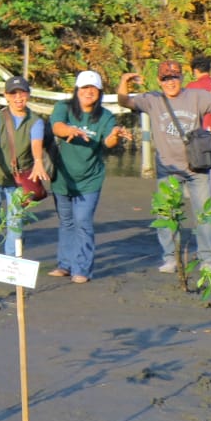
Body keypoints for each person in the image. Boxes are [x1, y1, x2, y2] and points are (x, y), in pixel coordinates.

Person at [118, 62, 211, 275]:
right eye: (166, 79)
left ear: (182, 78)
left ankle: (209, 260)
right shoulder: (152, 99)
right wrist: (124, 82)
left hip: (197, 167)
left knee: (203, 215)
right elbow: (125, 101)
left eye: (175, 77)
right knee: (167, 214)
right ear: (160, 81)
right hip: (168, 168)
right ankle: (170, 258)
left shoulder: (196, 96)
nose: (171, 82)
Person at [49, 71, 128, 283]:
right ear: (77, 90)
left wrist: (114, 136)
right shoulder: (63, 108)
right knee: (66, 222)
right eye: (84, 88)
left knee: (82, 221)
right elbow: (56, 126)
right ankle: (64, 265)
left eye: (93, 88)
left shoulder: (105, 116)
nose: (88, 92)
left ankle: (81, 269)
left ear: (100, 92)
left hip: (89, 179)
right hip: (62, 178)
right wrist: (69, 130)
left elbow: (109, 142)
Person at [0, 76, 50, 261]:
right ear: (6, 96)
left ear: (28, 95)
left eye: (22, 93)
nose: (18, 97)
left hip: (18, 177)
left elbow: (36, 142)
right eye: (13, 94)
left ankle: (12, 261)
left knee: (15, 220)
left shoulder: (35, 120)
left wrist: (38, 161)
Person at [185, 55, 211, 202]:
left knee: (194, 157)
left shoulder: (192, 87)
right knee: (206, 157)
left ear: (195, 70)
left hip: (202, 128)